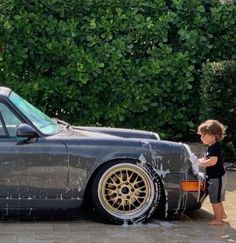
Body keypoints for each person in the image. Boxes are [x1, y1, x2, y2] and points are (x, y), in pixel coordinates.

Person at [197, 119, 227, 226]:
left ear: (213, 135)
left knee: (215, 199)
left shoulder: (215, 147)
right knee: (218, 198)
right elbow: (206, 158)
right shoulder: (211, 146)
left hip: (216, 177)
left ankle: (218, 220)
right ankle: (222, 215)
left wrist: (200, 164)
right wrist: (197, 161)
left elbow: (212, 161)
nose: (201, 138)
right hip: (216, 177)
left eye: (203, 135)